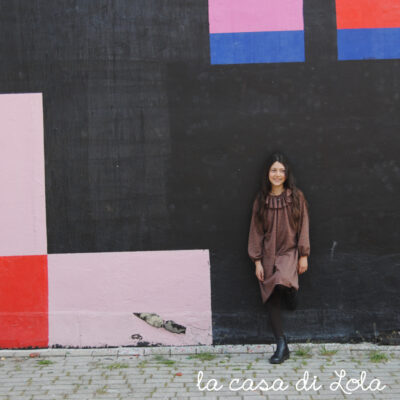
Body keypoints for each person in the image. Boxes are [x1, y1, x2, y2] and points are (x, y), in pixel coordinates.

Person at [248, 152, 310, 364]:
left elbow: (304, 226)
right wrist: (257, 261)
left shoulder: (296, 197)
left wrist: (304, 254)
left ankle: (291, 291)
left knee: (282, 281)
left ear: (287, 174)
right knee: (272, 295)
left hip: (289, 251)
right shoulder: (261, 200)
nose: (277, 174)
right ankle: (281, 345)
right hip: (268, 253)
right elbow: (256, 232)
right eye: (274, 170)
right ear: (267, 173)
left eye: (281, 171)